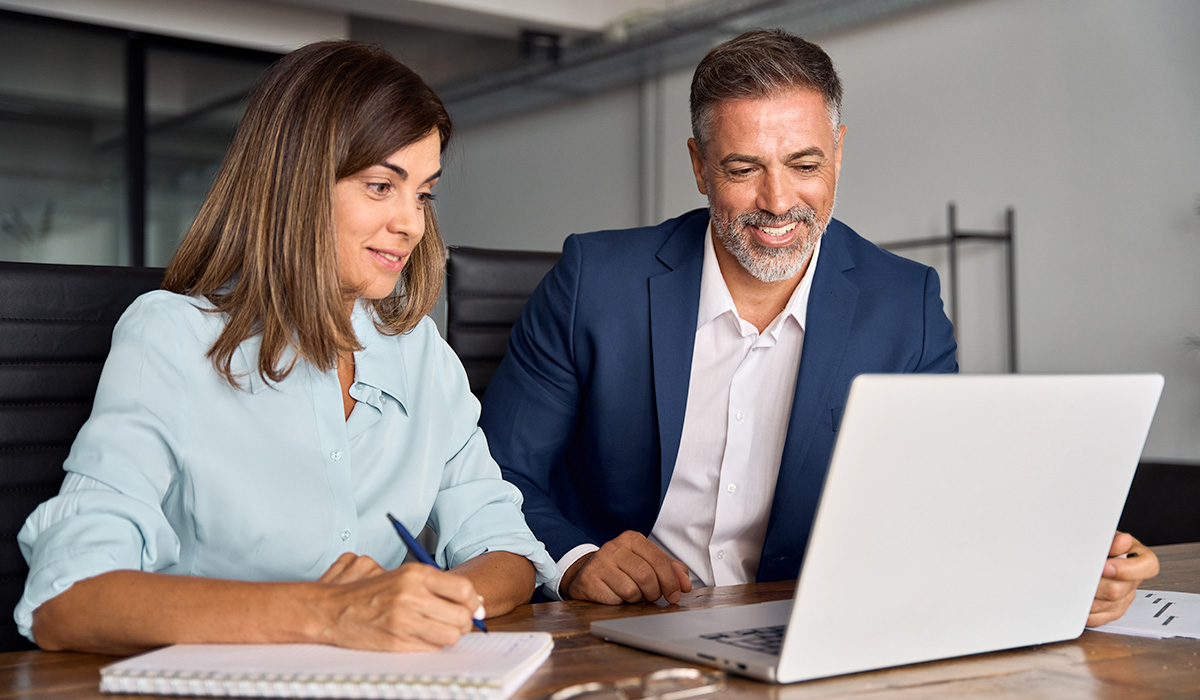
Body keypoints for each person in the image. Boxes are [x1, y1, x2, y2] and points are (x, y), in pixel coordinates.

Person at [478, 29, 1156, 626]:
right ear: (698, 166)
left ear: (838, 151)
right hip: (614, 629)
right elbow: (498, 470)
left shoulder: (905, 303)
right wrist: (575, 559)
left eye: (804, 165)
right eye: (744, 170)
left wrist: (1065, 568)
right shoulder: (595, 280)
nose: (778, 203)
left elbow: (942, 494)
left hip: (806, 625)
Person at [15, 40, 554, 655]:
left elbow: (504, 547)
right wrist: (332, 613)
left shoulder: (418, 349)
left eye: (423, 193)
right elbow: (67, 598)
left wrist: (431, 604)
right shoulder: (172, 337)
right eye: (382, 185)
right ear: (295, 184)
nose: (412, 222)